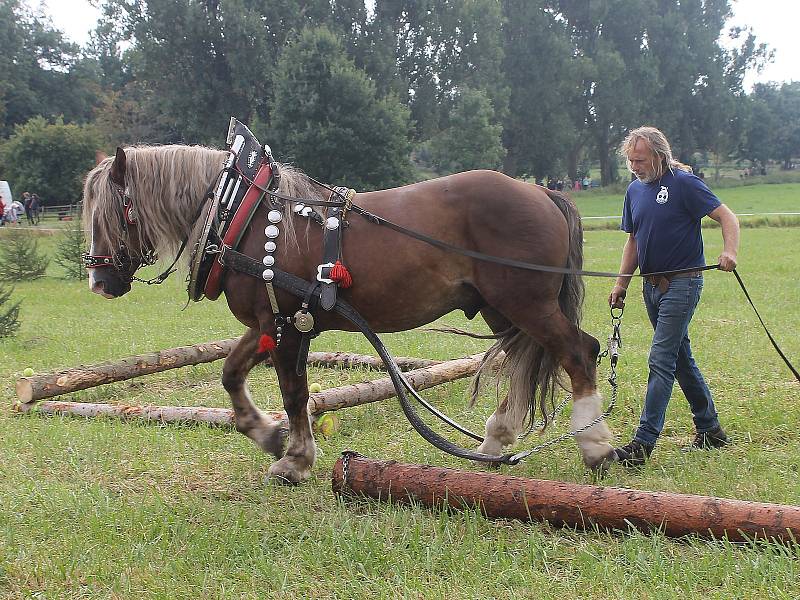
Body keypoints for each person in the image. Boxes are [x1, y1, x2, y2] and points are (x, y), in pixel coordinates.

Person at [608, 126, 740, 466]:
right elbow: (634, 240)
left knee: (661, 359)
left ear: (659, 155)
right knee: (680, 358)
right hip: (651, 286)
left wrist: (729, 251)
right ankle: (711, 430)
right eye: (630, 160)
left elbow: (727, 216)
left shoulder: (684, 184)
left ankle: (643, 444)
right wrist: (621, 284)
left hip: (683, 283)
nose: (634, 166)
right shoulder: (634, 191)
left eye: (640, 159)